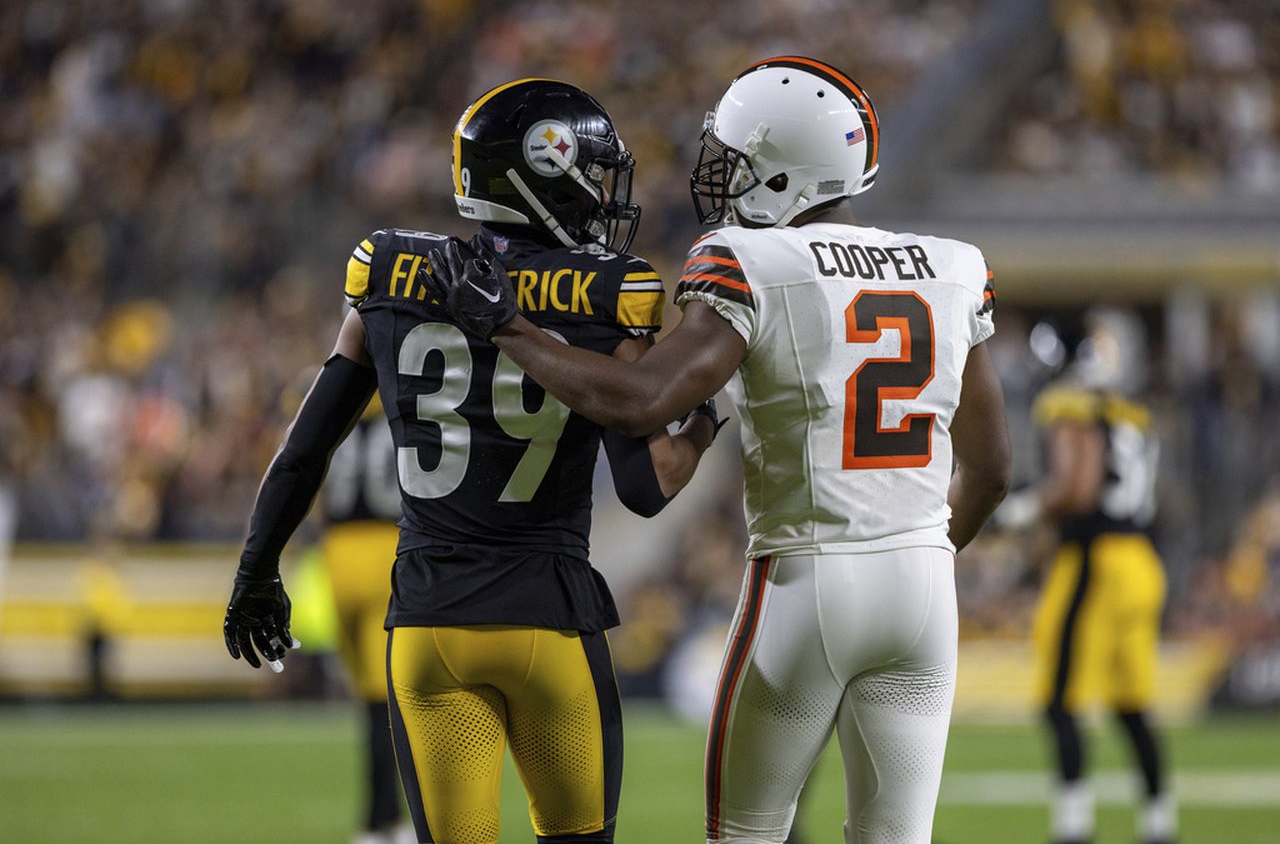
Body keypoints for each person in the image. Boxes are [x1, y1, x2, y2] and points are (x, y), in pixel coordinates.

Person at [426, 56, 1012, 844]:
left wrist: (510, 328)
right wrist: (924, 557)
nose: (725, 180)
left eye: (739, 161)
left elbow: (639, 403)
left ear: (785, 170)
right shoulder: (952, 266)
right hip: (924, 588)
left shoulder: (753, 260)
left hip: (808, 578)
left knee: (743, 834)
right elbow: (994, 467)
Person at [222, 78, 722, 844]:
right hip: (546, 619)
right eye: (588, 171)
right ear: (539, 173)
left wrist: (256, 571)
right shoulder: (605, 292)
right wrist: (706, 425)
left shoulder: (388, 274)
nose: (600, 191)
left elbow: (303, 451)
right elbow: (648, 487)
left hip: (427, 629)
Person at [1000, 308, 1174, 844]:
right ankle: (1158, 824)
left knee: (1058, 699)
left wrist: (1021, 511)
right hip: (1141, 562)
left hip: (1096, 564)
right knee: (1131, 703)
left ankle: (1073, 828)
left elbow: (1078, 487)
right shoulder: (1131, 412)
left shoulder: (1069, 403)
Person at [321, 396, 411, 844]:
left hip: (335, 558)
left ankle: (381, 819)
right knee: (384, 702)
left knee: (369, 698)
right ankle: (382, 820)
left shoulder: (333, 404)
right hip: (383, 554)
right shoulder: (402, 403)